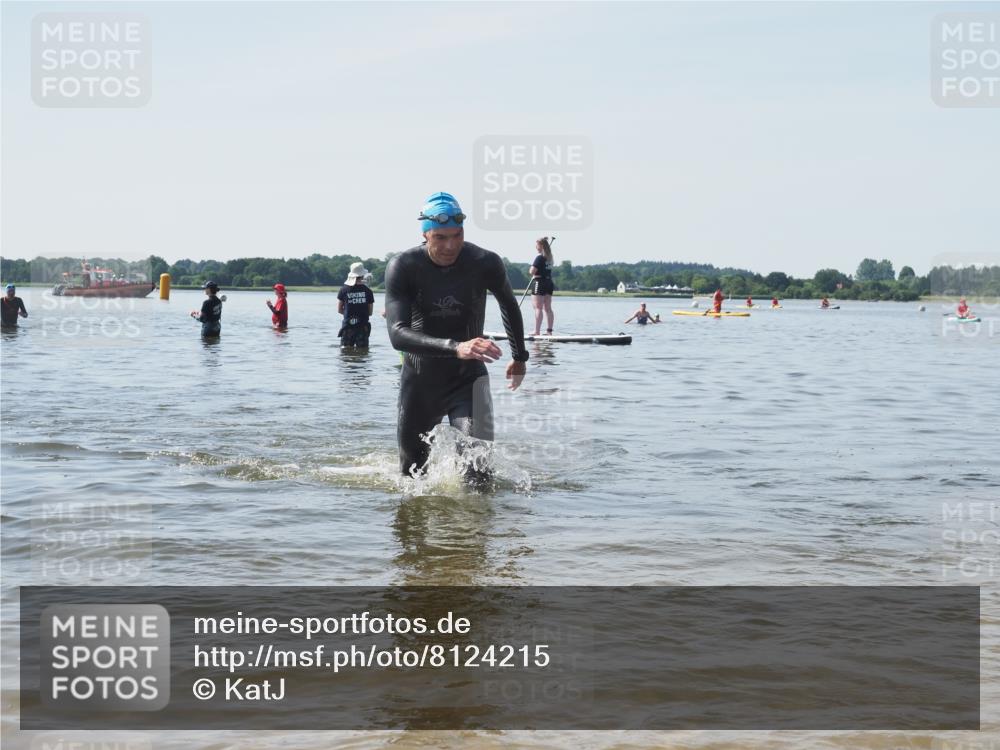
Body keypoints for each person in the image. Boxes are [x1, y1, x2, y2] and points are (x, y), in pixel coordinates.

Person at [385, 191, 528, 477]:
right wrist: (456, 347)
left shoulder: (484, 261)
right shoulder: (404, 266)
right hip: (420, 382)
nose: (450, 245)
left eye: (457, 235)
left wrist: (520, 357)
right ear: (425, 234)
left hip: (469, 380)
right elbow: (398, 334)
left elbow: (509, 305)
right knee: (412, 475)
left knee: (479, 473)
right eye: (440, 237)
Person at [337, 263, 375, 347]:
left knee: (345, 351)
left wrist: (349, 315)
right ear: (362, 275)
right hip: (363, 327)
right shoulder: (368, 291)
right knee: (363, 351)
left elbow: (339, 310)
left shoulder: (343, 290)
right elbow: (370, 313)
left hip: (348, 327)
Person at [529, 236, 556, 335]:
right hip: (549, 282)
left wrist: (531, 270)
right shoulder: (550, 257)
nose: (536, 247)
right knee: (548, 308)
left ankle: (536, 331)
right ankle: (549, 331)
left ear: (541, 246)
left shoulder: (539, 257)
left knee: (538, 308)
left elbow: (532, 271)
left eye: (537, 245)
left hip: (539, 282)